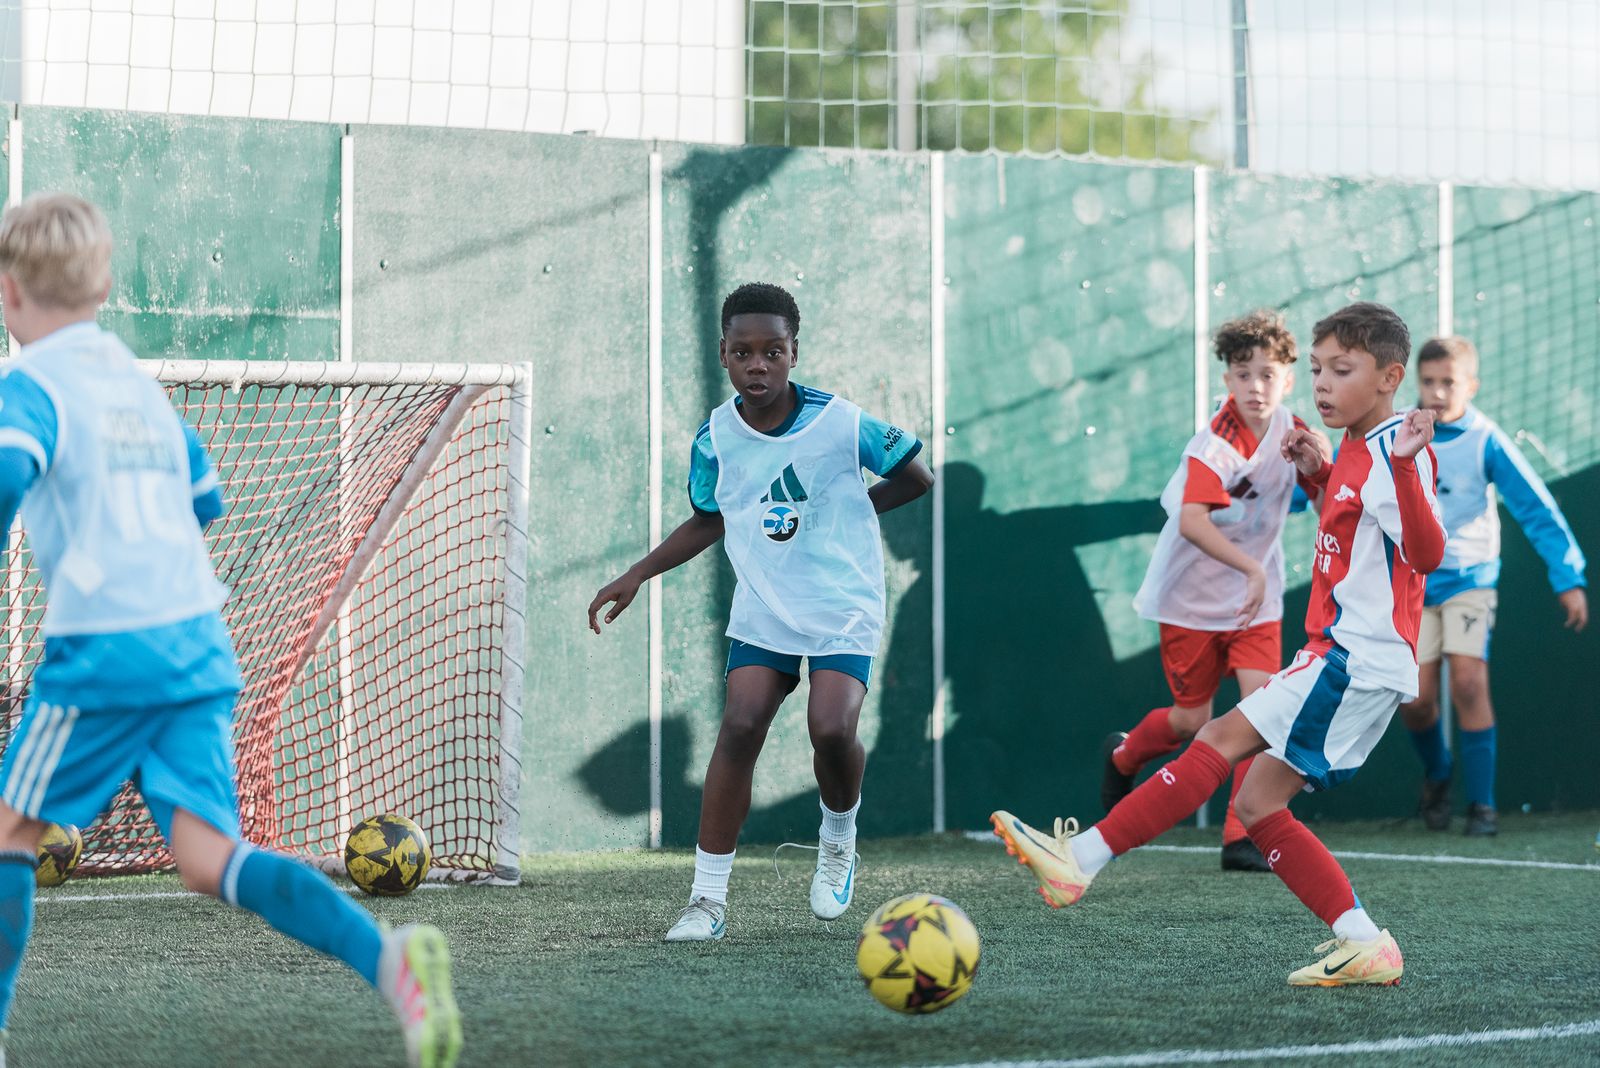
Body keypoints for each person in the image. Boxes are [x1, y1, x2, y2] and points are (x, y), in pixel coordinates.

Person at [0, 194, 460, 1068]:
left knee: (7, 834)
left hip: (106, 651)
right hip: (198, 644)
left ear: (9, 293)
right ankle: (388, 959)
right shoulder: (133, 383)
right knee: (211, 857)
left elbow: (8, 474)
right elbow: (203, 498)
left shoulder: (29, 387)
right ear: (101, 289)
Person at [993, 303, 1445, 987]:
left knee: (1215, 742)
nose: (1322, 383)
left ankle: (1079, 860)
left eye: (1340, 370)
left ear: (1390, 377)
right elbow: (1361, 528)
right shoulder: (1352, 443)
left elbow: (1425, 551)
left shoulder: (1394, 450)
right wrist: (1321, 476)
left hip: (1351, 660)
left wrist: (1408, 468)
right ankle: (1364, 941)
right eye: (1317, 368)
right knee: (1259, 805)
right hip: (1342, 657)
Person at [588, 282, 932, 942]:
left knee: (830, 729)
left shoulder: (840, 421)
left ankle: (838, 839)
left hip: (841, 602)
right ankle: (706, 902)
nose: (759, 365)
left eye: (773, 351)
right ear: (723, 355)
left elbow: (919, 475)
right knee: (740, 725)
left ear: (793, 352)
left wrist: (849, 513)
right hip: (766, 604)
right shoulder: (716, 438)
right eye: (743, 352)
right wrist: (637, 573)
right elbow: (708, 519)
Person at [1109, 310, 1327, 872]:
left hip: (1259, 603)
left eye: (1268, 374)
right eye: (1243, 374)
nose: (1257, 386)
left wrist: (1323, 473)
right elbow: (1192, 522)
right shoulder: (1214, 445)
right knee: (1190, 721)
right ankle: (1124, 754)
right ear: (1226, 380)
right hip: (1193, 601)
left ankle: (1239, 836)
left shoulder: (1294, 432)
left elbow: (1327, 503)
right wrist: (1250, 568)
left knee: (1261, 709)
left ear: (1288, 378)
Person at [1398, 336, 1587, 836]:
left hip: (1470, 579)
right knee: (1414, 700)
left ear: (1471, 386)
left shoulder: (1486, 438)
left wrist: (1567, 577)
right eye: (1429, 382)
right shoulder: (1398, 430)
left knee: (1467, 681)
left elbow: (1535, 507)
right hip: (1412, 582)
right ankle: (1438, 775)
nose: (1437, 393)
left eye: (1449, 383)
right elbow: (1345, 485)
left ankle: (1481, 805)